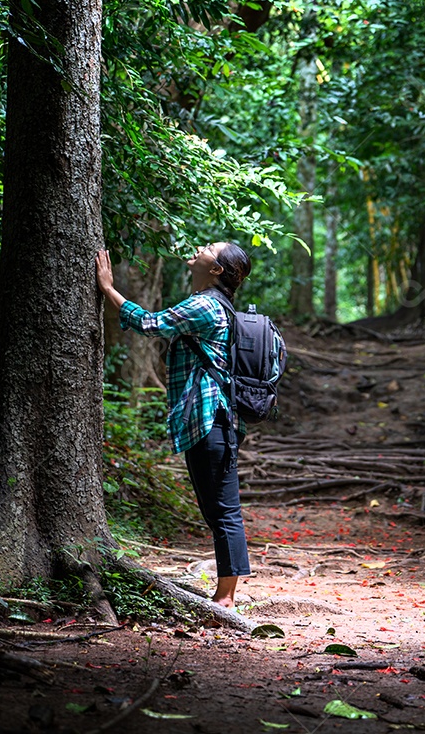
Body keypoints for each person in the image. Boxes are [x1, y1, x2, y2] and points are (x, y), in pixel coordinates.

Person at [95, 241, 252, 609]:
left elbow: (151, 325)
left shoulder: (206, 305)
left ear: (217, 270)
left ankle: (226, 599)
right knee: (219, 509)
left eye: (210, 247)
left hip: (210, 418)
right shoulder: (217, 305)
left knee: (223, 510)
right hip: (215, 420)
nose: (201, 247)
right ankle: (225, 593)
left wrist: (107, 289)